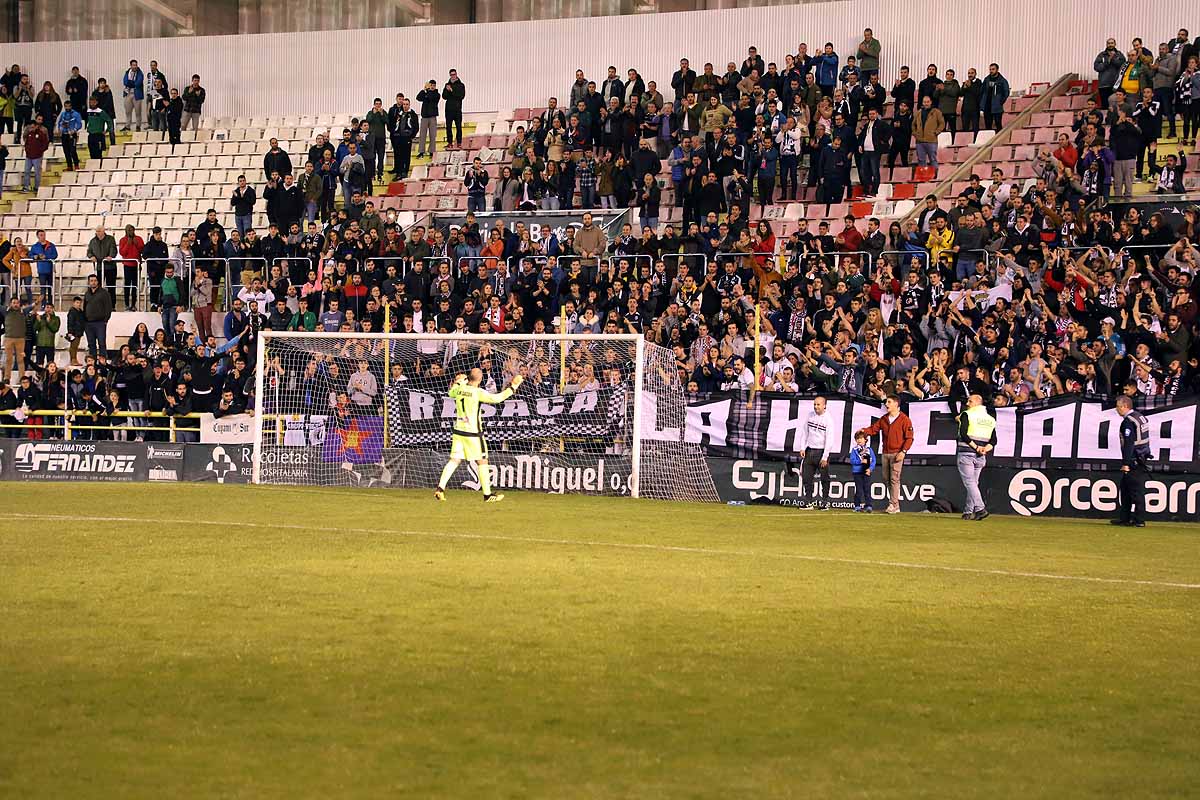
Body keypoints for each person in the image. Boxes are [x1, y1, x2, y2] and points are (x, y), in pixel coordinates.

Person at [434, 367, 524, 503]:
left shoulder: (460, 388)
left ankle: (440, 489)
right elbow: (497, 398)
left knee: (454, 460)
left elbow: (451, 393)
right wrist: (513, 386)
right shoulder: (478, 392)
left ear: (468, 377)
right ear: (481, 379)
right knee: (482, 460)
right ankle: (487, 495)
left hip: (458, 431)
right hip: (473, 433)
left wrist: (459, 382)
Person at [857, 395, 914, 514]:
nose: (886, 404)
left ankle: (893, 504)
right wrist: (864, 431)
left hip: (897, 453)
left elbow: (909, 438)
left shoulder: (904, 419)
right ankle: (895, 505)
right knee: (887, 479)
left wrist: (903, 452)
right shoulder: (884, 419)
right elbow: (874, 429)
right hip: (885, 453)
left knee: (894, 479)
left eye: (889, 402)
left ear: (896, 404)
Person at [1112, 395, 1152, 527]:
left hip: (1133, 460)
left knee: (1135, 491)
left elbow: (1129, 443)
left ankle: (1139, 520)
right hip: (1141, 457)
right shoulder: (1140, 417)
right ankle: (1125, 518)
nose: (1117, 409)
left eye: (1118, 406)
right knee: (1126, 489)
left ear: (1124, 406)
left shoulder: (1128, 422)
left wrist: (1126, 463)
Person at [956, 393, 996, 521]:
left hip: (967, 452)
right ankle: (968, 512)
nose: (967, 403)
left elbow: (963, 434)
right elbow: (994, 440)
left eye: (970, 401)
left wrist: (976, 447)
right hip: (981, 455)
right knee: (974, 483)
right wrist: (984, 449)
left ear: (977, 403)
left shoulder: (967, 414)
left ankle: (980, 508)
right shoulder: (990, 419)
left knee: (970, 483)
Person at [796, 395, 834, 509]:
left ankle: (825, 502)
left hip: (821, 452)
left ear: (824, 406)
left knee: (824, 479)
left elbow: (830, 439)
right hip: (810, 450)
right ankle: (808, 502)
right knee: (807, 478)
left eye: (818, 404)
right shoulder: (810, 415)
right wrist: (802, 447)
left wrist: (825, 457)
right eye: (815, 404)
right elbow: (804, 432)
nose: (816, 406)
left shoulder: (828, 419)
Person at [82, 274, 112, 359]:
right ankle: (93, 363)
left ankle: (103, 363)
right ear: (88, 282)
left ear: (98, 282)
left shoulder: (104, 293)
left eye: (95, 280)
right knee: (91, 344)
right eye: (91, 281)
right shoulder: (87, 293)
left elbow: (108, 307)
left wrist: (105, 320)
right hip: (88, 323)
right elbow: (85, 307)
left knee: (101, 343)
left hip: (100, 322)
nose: (93, 282)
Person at [849, 430, 876, 512]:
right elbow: (852, 460)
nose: (859, 440)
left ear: (865, 439)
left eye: (861, 438)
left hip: (866, 472)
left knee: (867, 489)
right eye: (857, 438)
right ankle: (857, 506)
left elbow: (873, 460)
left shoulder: (869, 449)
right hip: (857, 472)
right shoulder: (854, 450)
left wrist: (870, 469)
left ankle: (868, 506)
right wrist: (860, 461)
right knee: (859, 489)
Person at [21, 113, 48, 193]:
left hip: (37, 156)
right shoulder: (29, 133)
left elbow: (45, 143)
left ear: (36, 126)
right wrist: (27, 150)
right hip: (28, 156)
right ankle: (26, 187)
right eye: (31, 127)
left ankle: (36, 187)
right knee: (26, 172)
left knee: (37, 173)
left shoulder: (42, 133)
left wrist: (40, 151)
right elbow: (25, 141)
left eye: (33, 127)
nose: (32, 128)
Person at [55, 100, 82, 171]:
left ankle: (76, 165)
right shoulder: (63, 114)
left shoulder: (76, 114)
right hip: (64, 135)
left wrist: (74, 130)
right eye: (65, 106)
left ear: (71, 106)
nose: (67, 108)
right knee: (66, 151)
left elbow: (79, 124)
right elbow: (60, 122)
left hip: (72, 135)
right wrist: (60, 129)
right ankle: (69, 166)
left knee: (72, 150)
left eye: (68, 106)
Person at [442, 69, 465, 150]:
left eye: (454, 74)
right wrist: (447, 90)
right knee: (448, 127)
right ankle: (449, 142)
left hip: (457, 109)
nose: (453, 76)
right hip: (448, 110)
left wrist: (452, 91)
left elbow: (461, 96)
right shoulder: (447, 84)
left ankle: (459, 142)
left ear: (456, 74)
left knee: (459, 127)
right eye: (451, 75)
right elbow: (444, 96)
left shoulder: (461, 85)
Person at [416, 78, 439, 158]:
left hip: (432, 117)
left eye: (433, 85)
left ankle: (431, 151)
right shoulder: (425, 92)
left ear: (435, 86)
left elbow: (430, 98)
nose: (432, 87)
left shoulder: (437, 94)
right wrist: (424, 90)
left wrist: (427, 92)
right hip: (424, 117)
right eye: (431, 85)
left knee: (433, 135)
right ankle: (421, 151)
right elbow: (418, 98)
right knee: (422, 135)